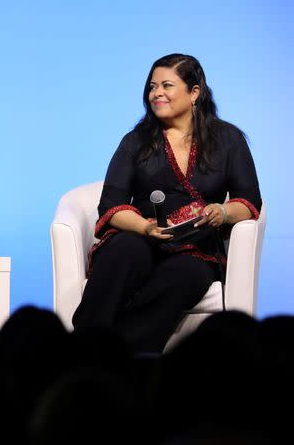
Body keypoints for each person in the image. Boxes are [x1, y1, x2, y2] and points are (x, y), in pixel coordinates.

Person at [72, 53, 262, 354]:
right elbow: (111, 204)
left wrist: (222, 212)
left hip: (197, 247)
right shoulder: (135, 141)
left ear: (194, 92)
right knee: (122, 252)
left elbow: (250, 202)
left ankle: (117, 355)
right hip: (142, 235)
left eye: (167, 85)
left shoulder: (229, 140)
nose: (156, 93)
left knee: (183, 276)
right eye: (152, 86)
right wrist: (146, 229)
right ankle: (81, 345)